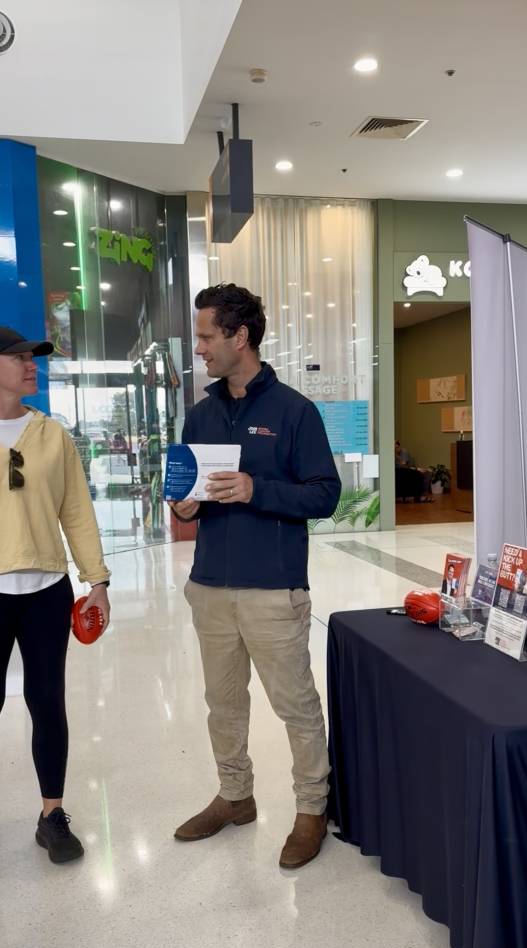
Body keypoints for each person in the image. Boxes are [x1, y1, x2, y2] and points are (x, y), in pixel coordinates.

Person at [169, 284, 341, 869]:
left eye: (206, 336)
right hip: (210, 588)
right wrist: (184, 506)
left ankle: (312, 809)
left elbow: (325, 495)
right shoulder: (201, 414)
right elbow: (188, 496)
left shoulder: (294, 412)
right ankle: (235, 796)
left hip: (273, 589)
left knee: (295, 706)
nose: (199, 348)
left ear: (240, 336)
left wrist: (255, 489)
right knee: (222, 704)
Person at [0, 326, 111, 865]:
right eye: (19, 358)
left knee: (47, 701)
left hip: (46, 590)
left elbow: (76, 511)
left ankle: (52, 815)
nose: (31, 365)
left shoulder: (52, 435)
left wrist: (97, 581)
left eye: (33, 358)